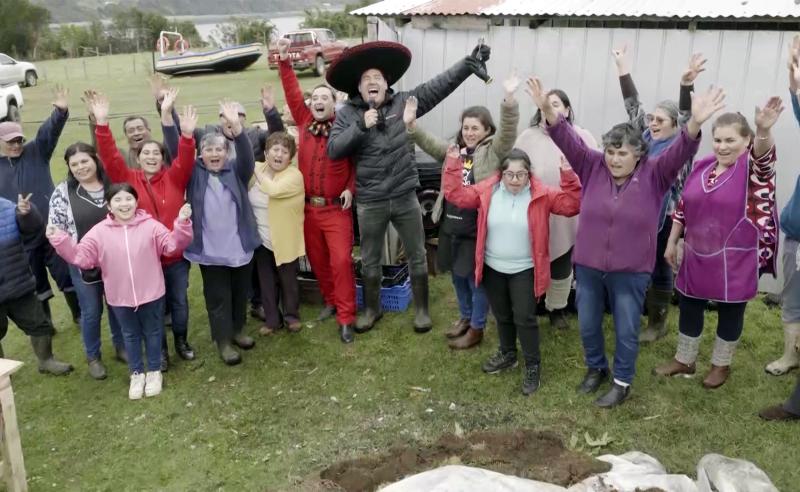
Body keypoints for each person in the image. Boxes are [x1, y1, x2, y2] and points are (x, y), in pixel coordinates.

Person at [527, 76, 723, 408]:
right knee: (588, 323)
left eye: (623, 153)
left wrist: (695, 123)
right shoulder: (591, 166)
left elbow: (681, 149)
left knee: (626, 327)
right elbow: (565, 137)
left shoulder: (656, 174)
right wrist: (547, 108)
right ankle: (595, 368)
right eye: (611, 152)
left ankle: (621, 381)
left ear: (639, 155)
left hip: (630, 271)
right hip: (588, 266)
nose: (615, 159)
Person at [327, 40, 493, 334]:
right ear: (359, 88)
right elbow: (334, 150)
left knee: (417, 255)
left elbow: (437, 87)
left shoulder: (405, 102)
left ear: (387, 82)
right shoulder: (347, 114)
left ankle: (422, 310)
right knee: (369, 259)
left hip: (405, 195)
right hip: (371, 200)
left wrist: (467, 66)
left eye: (377, 77)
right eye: (366, 79)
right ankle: (372, 309)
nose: (372, 82)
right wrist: (361, 126)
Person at [655, 99, 783, 389]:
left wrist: (763, 129)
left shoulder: (753, 171)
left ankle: (720, 365)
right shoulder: (702, 167)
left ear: (746, 140)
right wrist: (673, 241)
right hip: (697, 252)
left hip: (735, 258)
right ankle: (685, 359)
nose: (723, 146)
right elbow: (683, 207)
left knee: (730, 310)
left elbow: (764, 157)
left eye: (731, 140)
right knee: (689, 304)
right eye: (718, 140)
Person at [443, 145, 581, 394]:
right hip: (493, 267)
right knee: (502, 315)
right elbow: (455, 195)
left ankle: (532, 364)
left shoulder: (542, 194)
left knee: (524, 317)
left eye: (521, 174)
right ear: (501, 174)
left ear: (530, 174)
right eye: (510, 174)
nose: (515, 180)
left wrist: (568, 174)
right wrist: (454, 162)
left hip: (525, 269)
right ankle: (508, 353)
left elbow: (573, 205)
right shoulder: (488, 191)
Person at [403, 72, 521, 350]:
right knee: (456, 274)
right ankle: (466, 317)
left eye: (475, 128)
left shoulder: (494, 151)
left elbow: (508, 130)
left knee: (474, 277)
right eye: (466, 128)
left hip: (477, 224)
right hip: (451, 221)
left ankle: (477, 327)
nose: (469, 132)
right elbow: (429, 142)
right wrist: (411, 125)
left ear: (487, 131)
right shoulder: (455, 151)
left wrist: (509, 99)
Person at [48, 184, 193, 399]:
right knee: (130, 335)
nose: (124, 204)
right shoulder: (98, 232)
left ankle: (153, 371)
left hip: (152, 293)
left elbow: (172, 245)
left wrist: (181, 223)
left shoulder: (150, 226)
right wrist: (60, 239)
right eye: (117, 200)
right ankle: (136, 373)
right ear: (109, 205)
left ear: (136, 202)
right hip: (119, 297)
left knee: (154, 332)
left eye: (128, 199)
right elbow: (81, 257)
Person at [89, 90, 199, 370]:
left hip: (175, 258)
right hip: (145, 261)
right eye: (145, 153)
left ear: (163, 159)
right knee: (155, 310)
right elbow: (110, 155)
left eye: (156, 153)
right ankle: (160, 352)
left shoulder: (175, 177)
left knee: (179, 302)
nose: (151, 157)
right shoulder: (127, 178)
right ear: (137, 159)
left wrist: (186, 135)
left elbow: (185, 159)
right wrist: (101, 124)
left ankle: (182, 342)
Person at [611, 46, 706, 342]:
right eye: (652, 119)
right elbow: (633, 106)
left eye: (660, 120)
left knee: (660, 266)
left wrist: (686, 85)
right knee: (636, 262)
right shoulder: (646, 138)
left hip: (666, 217)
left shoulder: (681, 147)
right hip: (638, 213)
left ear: (676, 126)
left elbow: (691, 115)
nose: (652, 123)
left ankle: (657, 323)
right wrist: (622, 68)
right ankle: (632, 310)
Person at [276, 37, 357, 343]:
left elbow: (357, 164)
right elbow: (292, 91)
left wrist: (351, 188)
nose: (320, 101)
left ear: (336, 103)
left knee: (341, 261)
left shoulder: (344, 127)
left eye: (327, 97)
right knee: (318, 259)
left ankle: (347, 317)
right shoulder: (304, 120)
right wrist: (284, 61)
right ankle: (331, 300)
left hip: (337, 209)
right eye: (316, 97)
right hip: (308, 208)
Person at [514, 89, 598, 330]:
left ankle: (557, 308)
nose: (549, 108)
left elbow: (594, 172)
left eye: (556, 104)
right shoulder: (527, 137)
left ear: (567, 109)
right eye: (545, 104)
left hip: (568, 212)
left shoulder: (581, 136)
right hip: (535, 210)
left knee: (561, 263)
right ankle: (531, 303)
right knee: (530, 259)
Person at [184, 102, 260, 366]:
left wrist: (237, 129)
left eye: (219, 149)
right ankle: (223, 340)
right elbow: (177, 151)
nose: (214, 153)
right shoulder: (193, 173)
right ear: (200, 154)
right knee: (218, 297)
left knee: (240, 292)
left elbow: (248, 157)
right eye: (208, 150)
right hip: (211, 251)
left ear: (226, 153)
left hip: (238, 246)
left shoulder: (237, 170)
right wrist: (176, 123)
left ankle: (238, 330)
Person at [0, 85, 81, 326]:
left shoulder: (36, 151)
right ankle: (45, 323)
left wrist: (60, 111)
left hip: (50, 228)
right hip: (19, 236)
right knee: (34, 280)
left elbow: (49, 132)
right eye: (10, 142)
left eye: (18, 140)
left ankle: (78, 314)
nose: (16, 145)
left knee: (64, 272)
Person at [48, 142, 126, 379]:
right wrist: (72, 252)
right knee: (91, 311)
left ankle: (121, 346)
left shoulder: (111, 184)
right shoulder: (63, 193)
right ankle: (93, 356)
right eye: (74, 164)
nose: (81, 167)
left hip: (116, 258)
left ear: (95, 160)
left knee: (117, 305)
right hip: (83, 263)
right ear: (69, 168)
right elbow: (56, 228)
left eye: (85, 161)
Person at [0, 193, 73, 375]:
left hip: (19, 285)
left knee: (39, 325)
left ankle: (46, 361)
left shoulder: (7, 206)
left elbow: (33, 229)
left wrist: (27, 213)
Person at [249, 132, 305, 337]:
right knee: (266, 280)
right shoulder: (256, 168)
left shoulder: (293, 176)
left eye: (284, 151)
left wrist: (257, 172)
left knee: (288, 280)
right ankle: (273, 320)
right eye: (275, 149)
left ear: (290, 157)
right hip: (261, 239)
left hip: (285, 238)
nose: (279, 154)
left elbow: (273, 190)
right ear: (266, 152)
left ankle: (292, 317)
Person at [766, 41, 800, 376]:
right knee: (792, 298)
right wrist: (794, 78)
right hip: (797, 237)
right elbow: (799, 103)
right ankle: (791, 355)